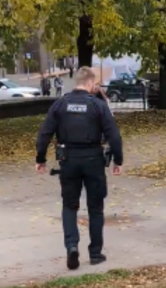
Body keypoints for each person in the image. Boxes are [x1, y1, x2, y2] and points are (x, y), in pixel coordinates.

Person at [35, 66, 123, 270]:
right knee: (95, 207)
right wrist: (118, 160)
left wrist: (40, 158)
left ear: (76, 82)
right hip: (93, 159)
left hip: (68, 159)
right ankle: (95, 253)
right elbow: (114, 135)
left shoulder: (60, 104)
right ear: (91, 83)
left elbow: (45, 133)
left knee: (69, 205)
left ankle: (72, 246)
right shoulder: (98, 105)